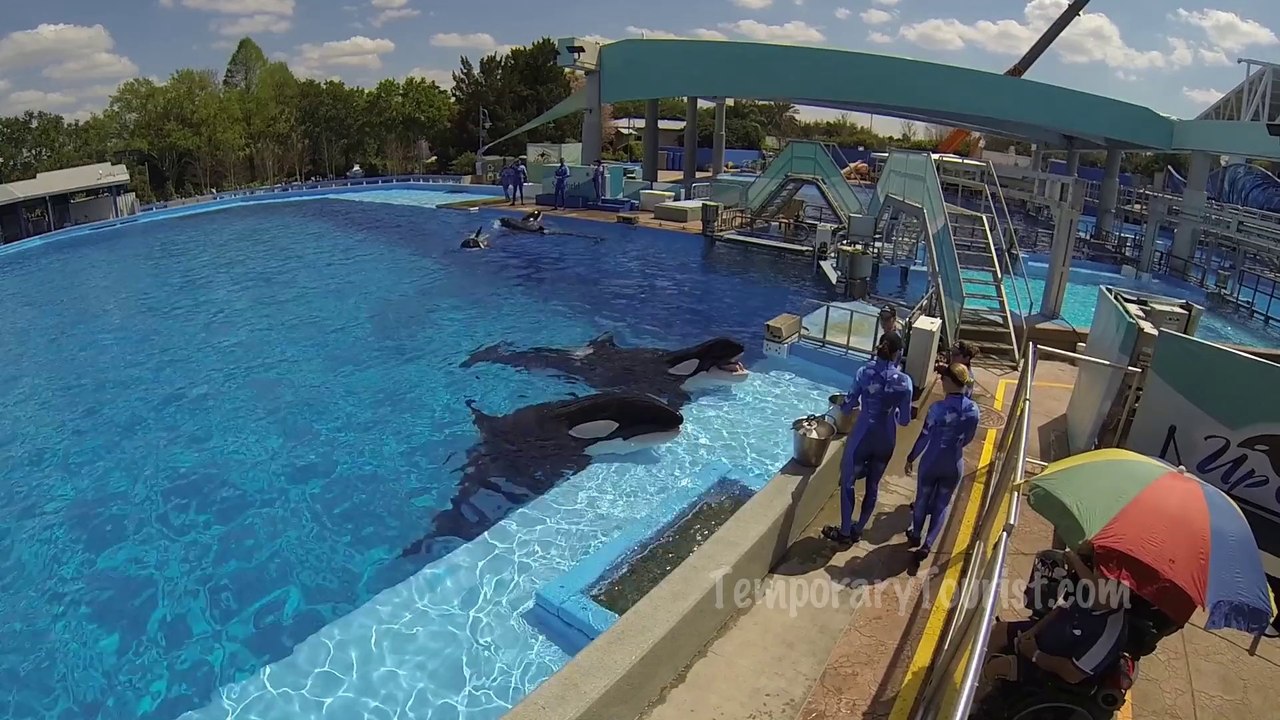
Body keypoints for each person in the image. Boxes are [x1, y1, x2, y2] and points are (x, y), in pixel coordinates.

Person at [979, 544, 1128, 695]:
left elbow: (1073, 674)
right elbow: (1061, 609)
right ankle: (979, 677)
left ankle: (973, 703)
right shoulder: (1090, 590)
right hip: (1044, 637)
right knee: (997, 632)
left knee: (997, 666)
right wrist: (1033, 630)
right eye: (1099, 575)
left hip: (1050, 668)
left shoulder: (1109, 632)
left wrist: (1035, 654)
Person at [822, 333, 913, 546]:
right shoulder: (905, 382)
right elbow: (906, 420)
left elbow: (849, 403)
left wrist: (840, 407)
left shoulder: (864, 372)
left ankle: (845, 531)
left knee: (847, 482)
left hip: (862, 435)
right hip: (886, 438)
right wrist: (893, 413)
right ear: (898, 353)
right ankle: (859, 529)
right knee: (873, 485)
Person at [904, 362, 981, 562]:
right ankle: (928, 544)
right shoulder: (973, 410)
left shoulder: (937, 409)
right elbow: (969, 438)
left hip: (932, 461)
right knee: (942, 504)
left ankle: (915, 535)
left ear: (948, 382)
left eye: (943, 378)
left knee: (922, 499)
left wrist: (911, 457)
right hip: (954, 462)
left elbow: (924, 437)